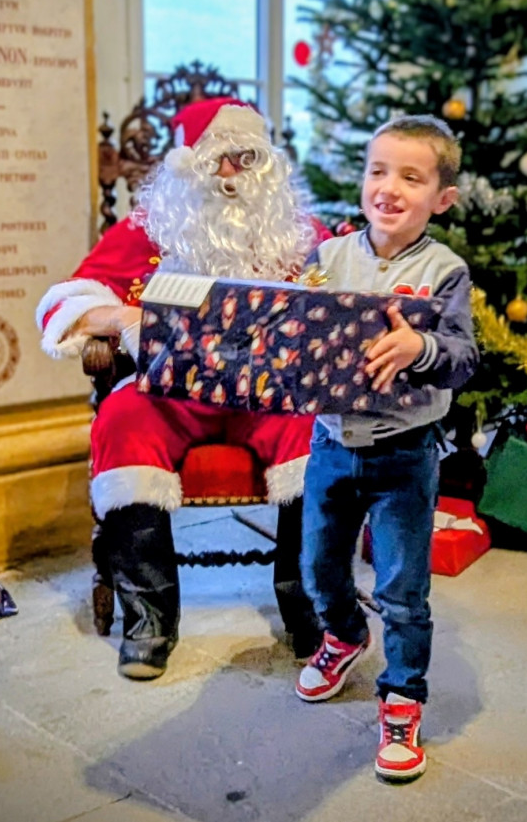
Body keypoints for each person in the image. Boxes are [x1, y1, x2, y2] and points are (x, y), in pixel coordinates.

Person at [36, 97, 329, 680]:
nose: (230, 176)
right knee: (122, 420)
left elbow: (347, 296)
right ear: (187, 165)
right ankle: (149, 617)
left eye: (245, 159)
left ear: (265, 165)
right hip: (173, 392)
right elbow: (67, 303)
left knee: (317, 430)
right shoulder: (150, 229)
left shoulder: (301, 233)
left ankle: (309, 610)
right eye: (217, 160)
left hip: (267, 393)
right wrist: (123, 320)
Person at [294, 114, 478, 783]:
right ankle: (342, 634)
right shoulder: (330, 258)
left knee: (402, 584)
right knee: (318, 565)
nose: (389, 187)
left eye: (411, 176)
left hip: (404, 452)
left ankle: (402, 695)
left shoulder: (445, 270)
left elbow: (462, 359)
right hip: (331, 443)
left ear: (441, 198)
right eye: (378, 170)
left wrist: (418, 346)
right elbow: (299, 332)